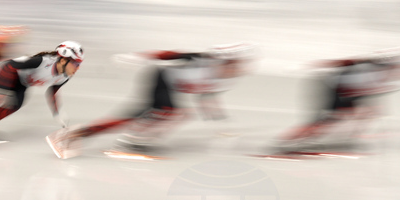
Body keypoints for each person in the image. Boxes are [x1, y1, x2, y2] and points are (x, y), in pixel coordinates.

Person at [48, 43, 254, 158]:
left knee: (135, 116)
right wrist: (139, 56)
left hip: (170, 86)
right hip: (162, 78)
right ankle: (134, 141)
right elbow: (172, 54)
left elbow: (207, 97)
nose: (236, 69)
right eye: (235, 64)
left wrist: (221, 123)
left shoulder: (225, 78)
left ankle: (75, 135)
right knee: (171, 113)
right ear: (227, 60)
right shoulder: (205, 60)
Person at [275, 42, 400, 154]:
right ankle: (285, 142)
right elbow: (357, 61)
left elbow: (375, 88)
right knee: (325, 121)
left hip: (351, 89)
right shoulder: (396, 62)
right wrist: (319, 64)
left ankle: (349, 139)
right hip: (336, 85)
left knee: (366, 113)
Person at [0, 40, 84, 145]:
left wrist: (57, 113)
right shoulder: (43, 62)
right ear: (63, 59)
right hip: (9, 72)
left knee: (14, 106)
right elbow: (11, 63)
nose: (77, 68)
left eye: (79, 64)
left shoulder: (65, 76)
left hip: (22, 82)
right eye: (75, 64)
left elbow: (53, 92)